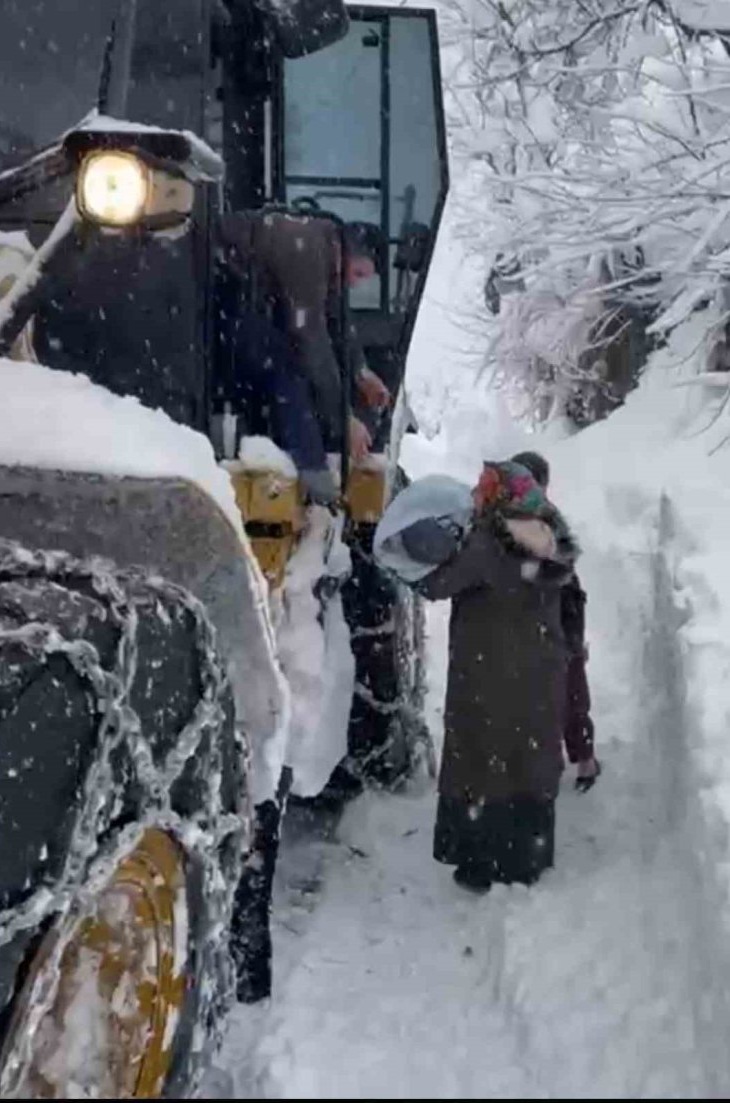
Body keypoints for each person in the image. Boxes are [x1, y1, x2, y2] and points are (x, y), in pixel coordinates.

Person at [416, 461, 579, 893]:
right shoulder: (548, 535)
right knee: (527, 759)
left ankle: (479, 860)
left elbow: (435, 585)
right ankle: (526, 856)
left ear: (502, 495)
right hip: (539, 671)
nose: (479, 492)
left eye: (486, 487)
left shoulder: (489, 542)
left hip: (488, 670)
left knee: (481, 758)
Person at [219, 208, 391, 502]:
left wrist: (362, 373)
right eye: (359, 273)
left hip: (241, 303)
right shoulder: (308, 250)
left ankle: (314, 469)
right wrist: (344, 418)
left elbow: (337, 321)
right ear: (348, 251)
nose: (356, 283)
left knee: (297, 361)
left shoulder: (328, 253)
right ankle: (317, 482)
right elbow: (311, 337)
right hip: (214, 301)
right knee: (291, 366)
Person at [511, 451, 600, 792]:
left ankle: (582, 759)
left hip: (559, 614)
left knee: (568, 688)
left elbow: (563, 564)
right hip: (554, 615)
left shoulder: (531, 519)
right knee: (567, 689)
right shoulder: (538, 518)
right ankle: (580, 759)